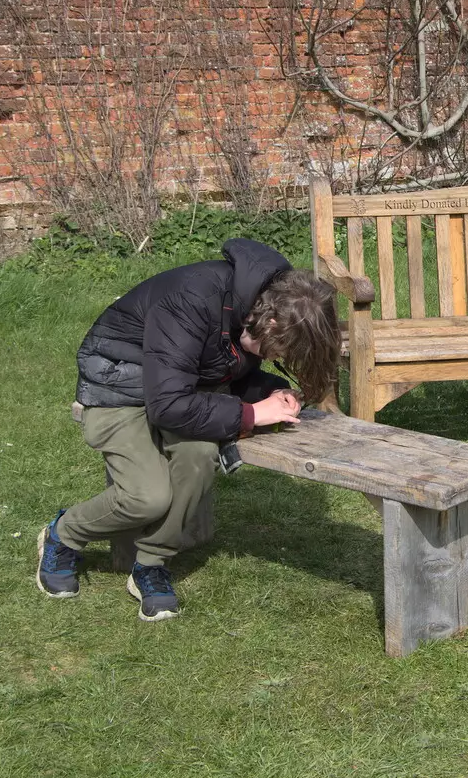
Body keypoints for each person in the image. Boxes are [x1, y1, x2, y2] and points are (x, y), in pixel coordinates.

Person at [36, 238, 339, 621]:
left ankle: (150, 563)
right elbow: (168, 405)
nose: (274, 358)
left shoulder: (259, 306)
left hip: (177, 390)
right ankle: (64, 534)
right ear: (271, 320)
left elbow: (216, 368)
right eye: (274, 351)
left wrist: (270, 393)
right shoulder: (192, 298)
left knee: (199, 454)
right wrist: (249, 415)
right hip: (119, 389)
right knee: (146, 498)